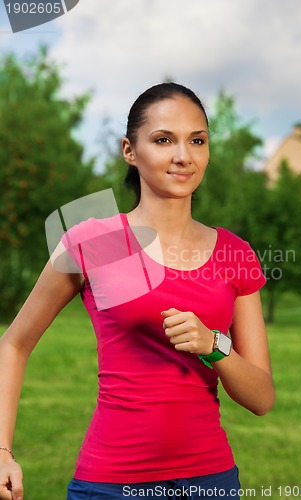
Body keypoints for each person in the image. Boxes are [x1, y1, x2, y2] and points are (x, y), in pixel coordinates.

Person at [0, 82, 275, 500]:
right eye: (164, 140)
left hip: (210, 483)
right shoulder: (94, 241)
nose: (183, 155)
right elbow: (14, 345)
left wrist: (214, 346)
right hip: (110, 482)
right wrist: (2, 452)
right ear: (130, 150)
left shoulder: (235, 253)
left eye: (196, 140)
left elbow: (262, 398)